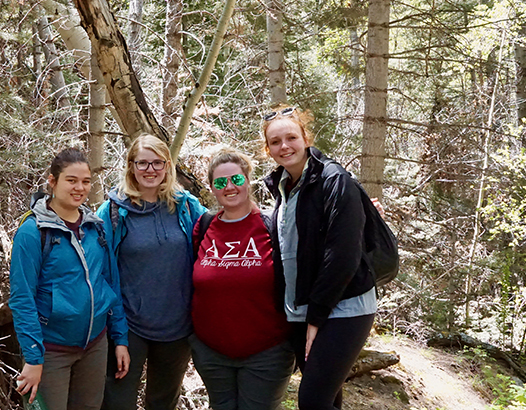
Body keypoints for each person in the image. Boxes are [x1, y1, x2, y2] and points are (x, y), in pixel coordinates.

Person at [261, 104, 377, 410]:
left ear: (305, 138)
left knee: (312, 400)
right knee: (328, 399)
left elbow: (343, 255)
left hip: (343, 307)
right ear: (268, 149)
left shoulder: (333, 178)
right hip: (302, 311)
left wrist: (316, 317)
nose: (284, 146)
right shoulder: (283, 188)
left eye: (291, 137)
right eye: (275, 142)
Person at [10, 148, 130, 410]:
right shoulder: (33, 232)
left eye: (86, 181)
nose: (80, 188)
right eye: (71, 180)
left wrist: (120, 338)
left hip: (95, 345)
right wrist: (33, 358)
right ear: (52, 182)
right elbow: (22, 299)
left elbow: (110, 284)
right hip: (51, 350)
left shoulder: (95, 227)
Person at [97, 134, 207, 410]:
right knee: (117, 402)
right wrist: (117, 333)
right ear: (131, 166)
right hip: (129, 326)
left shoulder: (186, 206)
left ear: (168, 166)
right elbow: (99, 273)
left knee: (163, 403)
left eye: (157, 163)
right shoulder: (112, 211)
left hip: (177, 327)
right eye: (142, 163)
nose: (150, 170)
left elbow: (221, 229)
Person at [189, 149, 294, 410]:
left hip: (267, 352)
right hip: (211, 352)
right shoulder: (204, 226)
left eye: (236, 179)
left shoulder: (274, 224)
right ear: (212, 188)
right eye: (220, 182)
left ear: (248, 180)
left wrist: (359, 210)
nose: (230, 187)